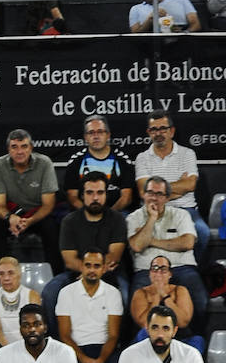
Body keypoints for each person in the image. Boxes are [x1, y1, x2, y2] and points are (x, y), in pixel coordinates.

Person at [41, 172, 129, 330]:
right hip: (74, 273)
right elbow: (69, 259)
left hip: (111, 273)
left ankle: (120, 344)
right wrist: (89, 271)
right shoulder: (70, 221)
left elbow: (114, 256)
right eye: (90, 193)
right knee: (50, 292)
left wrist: (92, 271)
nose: (95, 198)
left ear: (106, 195)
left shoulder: (117, 219)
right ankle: (55, 341)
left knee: (125, 295)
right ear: (82, 196)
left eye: (100, 193)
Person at [126, 175, 206, 332]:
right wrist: (151, 219)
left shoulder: (181, 215)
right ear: (143, 195)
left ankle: (194, 340)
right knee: (135, 306)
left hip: (181, 267)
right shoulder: (133, 218)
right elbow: (136, 245)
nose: (153, 198)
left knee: (201, 300)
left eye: (159, 194)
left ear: (167, 197)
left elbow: (187, 243)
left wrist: (151, 241)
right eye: (150, 193)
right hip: (146, 271)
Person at [133, 111, 209, 259]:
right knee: (135, 235)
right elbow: (144, 192)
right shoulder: (142, 158)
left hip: (186, 209)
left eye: (163, 128)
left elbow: (191, 184)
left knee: (203, 232)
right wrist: (179, 188)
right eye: (154, 129)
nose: (158, 133)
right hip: (152, 210)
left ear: (171, 131)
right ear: (149, 132)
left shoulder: (187, 154)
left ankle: (192, 267)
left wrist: (157, 192)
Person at [0, 127, 60, 276]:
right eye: (14, 147)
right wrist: (11, 218)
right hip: (12, 214)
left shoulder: (44, 163)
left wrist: (30, 220)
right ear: (8, 149)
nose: (20, 152)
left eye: (24, 146)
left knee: (51, 227)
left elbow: (48, 204)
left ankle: (56, 277)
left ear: (31, 148)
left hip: (37, 214)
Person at [55, 250, 123, 363]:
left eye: (97, 266)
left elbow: (113, 335)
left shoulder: (113, 293)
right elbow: (64, 334)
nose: (92, 270)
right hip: (75, 348)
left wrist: (100, 360)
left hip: (104, 349)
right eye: (88, 265)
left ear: (104, 268)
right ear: (81, 266)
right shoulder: (66, 293)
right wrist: (84, 359)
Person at [63, 116, 135, 213]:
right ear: (85, 137)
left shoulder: (123, 160)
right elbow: (73, 198)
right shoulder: (75, 162)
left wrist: (108, 217)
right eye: (91, 132)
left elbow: (126, 198)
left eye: (100, 132)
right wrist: (91, 215)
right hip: (84, 214)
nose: (96, 136)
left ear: (108, 135)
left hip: (117, 214)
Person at [129, 256, 202, 350]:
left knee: (198, 341)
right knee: (143, 334)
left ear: (170, 274)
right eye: (155, 269)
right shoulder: (140, 293)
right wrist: (156, 296)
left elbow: (183, 322)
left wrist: (165, 296)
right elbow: (144, 323)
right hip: (150, 338)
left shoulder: (180, 290)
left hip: (178, 337)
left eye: (163, 269)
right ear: (150, 274)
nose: (158, 273)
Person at [0, 255, 42, 349]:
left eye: (11, 273)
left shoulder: (33, 295)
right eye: (1, 274)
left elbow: (33, 328)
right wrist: (9, 352)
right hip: (1, 348)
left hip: (28, 347)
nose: (6, 278)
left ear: (19, 274)